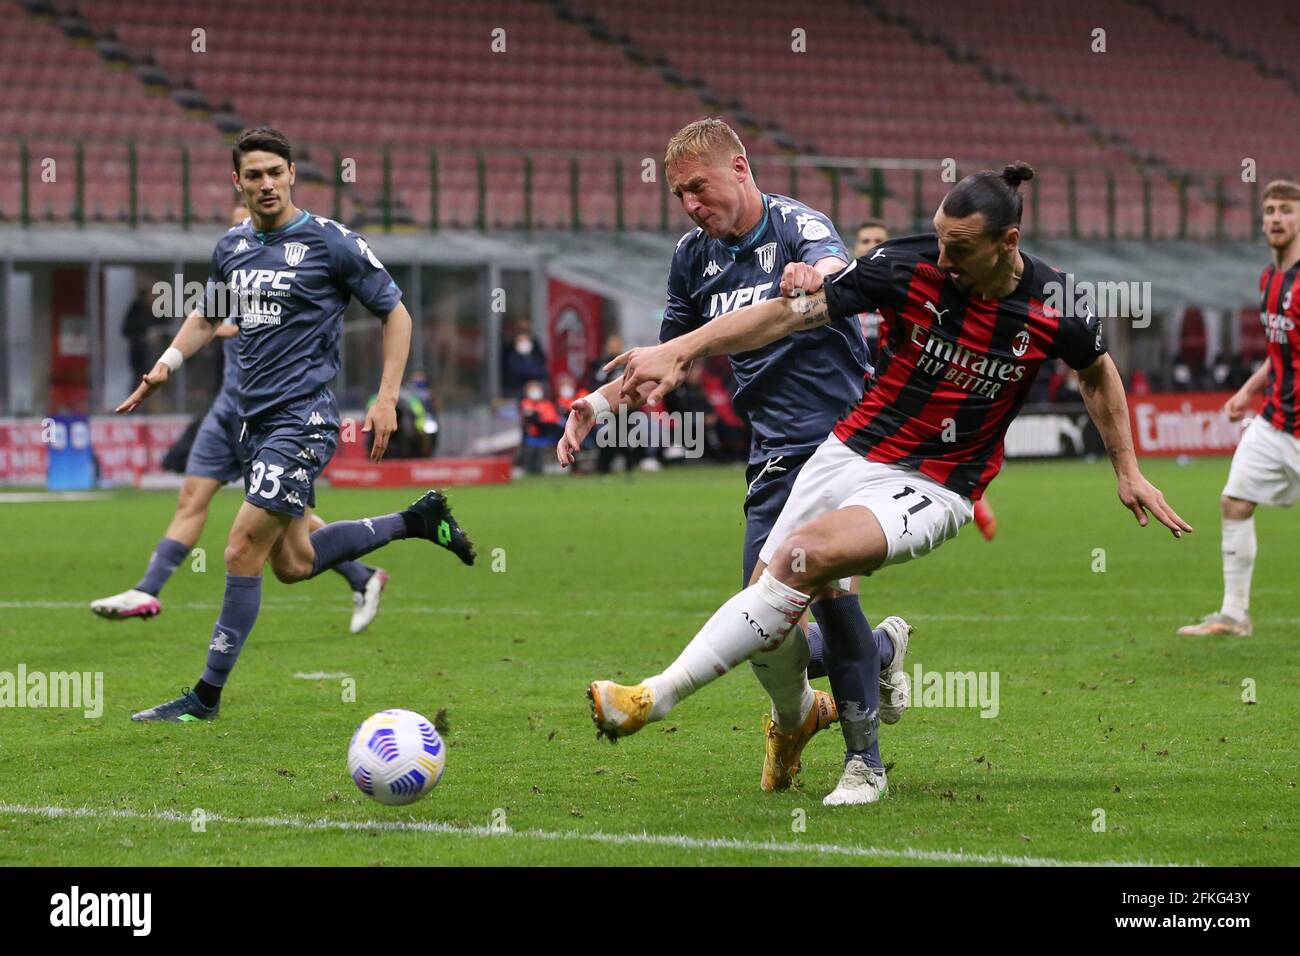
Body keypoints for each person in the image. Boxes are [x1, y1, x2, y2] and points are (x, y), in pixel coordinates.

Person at [588, 162, 1191, 805]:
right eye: (938, 240)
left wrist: (1128, 469)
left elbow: (1096, 371)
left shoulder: (1056, 303)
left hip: (936, 480)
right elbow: (785, 315)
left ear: (1007, 243)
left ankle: (668, 701)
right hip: (847, 450)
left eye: (959, 249)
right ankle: (840, 685)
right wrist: (683, 350)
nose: (944, 258)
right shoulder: (907, 266)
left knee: (807, 558)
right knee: (774, 619)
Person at [559, 118, 910, 794]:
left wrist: (818, 275)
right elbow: (666, 364)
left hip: (840, 443)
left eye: (699, 187)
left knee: (828, 590)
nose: (691, 205)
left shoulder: (796, 227)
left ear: (741, 169)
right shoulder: (693, 257)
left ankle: (865, 763)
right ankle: (848, 680)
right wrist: (600, 406)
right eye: (679, 196)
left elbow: (840, 272)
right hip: (772, 456)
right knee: (766, 623)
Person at [117, 127, 475, 723]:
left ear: (291, 176)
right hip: (254, 426)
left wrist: (386, 398)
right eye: (252, 175)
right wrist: (164, 365)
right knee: (294, 564)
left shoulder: (331, 242)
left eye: (274, 173)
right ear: (237, 181)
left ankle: (203, 699)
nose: (265, 184)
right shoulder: (232, 247)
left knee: (238, 550)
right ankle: (417, 519)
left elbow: (397, 314)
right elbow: (208, 317)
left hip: (303, 421)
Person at [92, 199, 390, 635]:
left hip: (285, 416)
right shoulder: (233, 259)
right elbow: (207, 316)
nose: (246, 232)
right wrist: (169, 360)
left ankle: (363, 573)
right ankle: (148, 589)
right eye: (239, 225)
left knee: (291, 534)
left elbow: (245, 319)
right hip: (228, 409)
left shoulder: (295, 271)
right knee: (192, 497)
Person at [1178, 179, 1300, 636]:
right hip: (1275, 422)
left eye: (1286, 210)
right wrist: (1248, 391)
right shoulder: (1269, 278)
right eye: (1269, 209)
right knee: (1234, 502)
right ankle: (1234, 614)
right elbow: (1281, 352)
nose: (1275, 218)